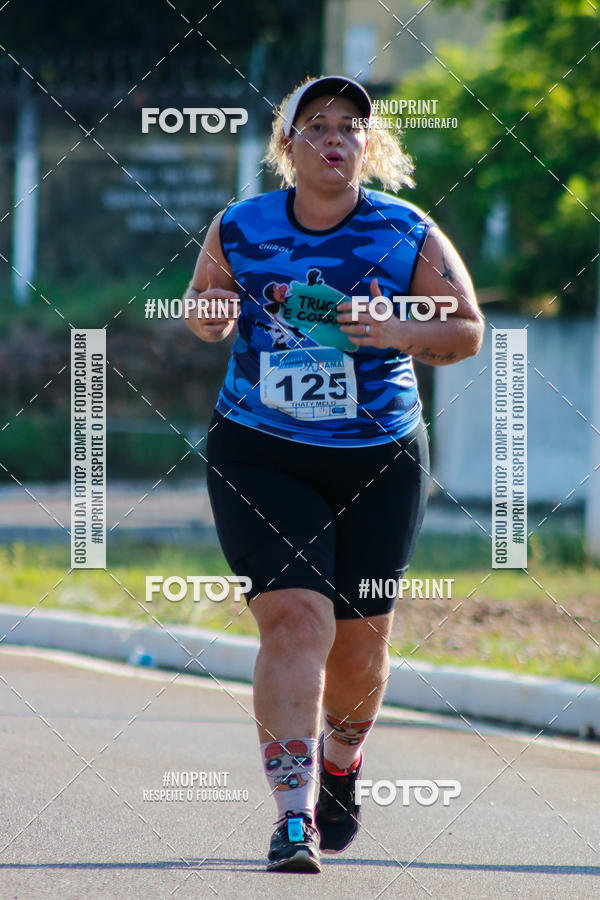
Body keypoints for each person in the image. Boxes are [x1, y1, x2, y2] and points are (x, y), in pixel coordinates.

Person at [184, 75, 484, 873]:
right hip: (261, 449)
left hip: (379, 457)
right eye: (316, 125)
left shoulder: (405, 229)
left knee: (358, 650)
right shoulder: (239, 227)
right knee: (296, 623)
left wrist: (396, 326)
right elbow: (203, 306)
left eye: (350, 126)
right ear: (288, 146)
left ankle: (342, 761)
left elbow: (466, 330)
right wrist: (211, 315)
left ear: (368, 144)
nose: (334, 139)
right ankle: (292, 818)